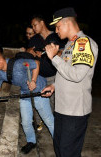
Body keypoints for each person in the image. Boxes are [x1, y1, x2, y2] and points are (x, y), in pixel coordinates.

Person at [42, 7, 98, 157]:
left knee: (68, 152)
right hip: (63, 108)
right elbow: (65, 71)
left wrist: (54, 58)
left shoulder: (83, 44)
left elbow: (77, 75)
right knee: (60, 149)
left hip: (74, 111)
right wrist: (53, 85)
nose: (56, 31)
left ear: (68, 23)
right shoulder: (69, 45)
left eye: (58, 26)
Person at [0, 45, 54, 154]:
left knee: (48, 119)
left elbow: (36, 64)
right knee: (25, 122)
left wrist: (33, 81)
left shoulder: (20, 64)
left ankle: (58, 141)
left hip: (39, 90)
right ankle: (31, 141)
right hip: (25, 93)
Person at [26, 15, 66, 113]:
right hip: (39, 76)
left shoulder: (57, 36)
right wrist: (30, 51)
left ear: (42, 23)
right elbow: (28, 52)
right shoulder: (34, 39)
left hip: (54, 75)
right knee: (42, 102)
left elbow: (64, 52)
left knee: (56, 102)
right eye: (32, 26)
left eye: (35, 25)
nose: (34, 28)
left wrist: (52, 52)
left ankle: (56, 124)